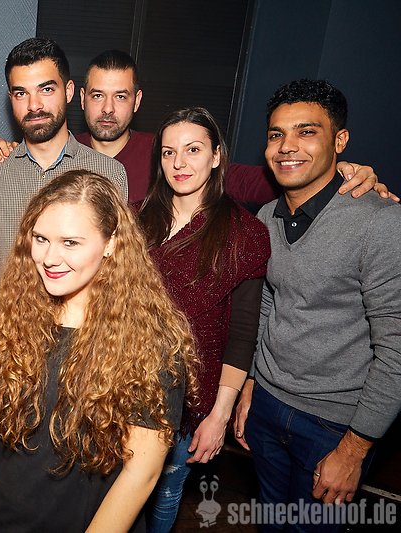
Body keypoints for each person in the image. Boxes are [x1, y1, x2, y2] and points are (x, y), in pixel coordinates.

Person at [0, 170, 197, 532]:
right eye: (41, 239)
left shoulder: (149, 342)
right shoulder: (13, 318)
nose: (50, 257)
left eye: (70, 242)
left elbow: (141, 473)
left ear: (111, 243)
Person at [234, 79, 401, 532]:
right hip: (267, 406)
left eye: (306, 131)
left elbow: (396, 350)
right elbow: (267, 306)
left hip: (332, 426)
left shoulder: (380, 223)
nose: (287, 146)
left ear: (340, 141)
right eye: (276, 134)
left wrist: (354, 449)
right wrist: (250, 384)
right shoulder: (266, 218)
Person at [0, 49, 395, 208]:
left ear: (137, 101)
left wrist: (337, 173)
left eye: (120, 96)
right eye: (99, 96)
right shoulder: (60, 154)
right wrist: (6, 150)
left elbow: (263, 180)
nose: (107, 109)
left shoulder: (168, 154)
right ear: (81, 97)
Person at [135, 108, 271, 532]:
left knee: (165, 494)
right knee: (109, 491)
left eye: (193, 150)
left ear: (216, 156)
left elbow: (243, 334)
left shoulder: (244, 233)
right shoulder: (134, 220)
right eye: (168, 152)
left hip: (190, 399)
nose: (179, 163)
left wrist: (219, 416)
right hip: (121, 386)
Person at [0, 37, 128, 283]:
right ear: (11, 99)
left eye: (46, 89)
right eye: (21, 93)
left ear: (69, 91)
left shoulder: (108, 173)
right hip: (7, 307)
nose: (34, 105)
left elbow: (115, 262)